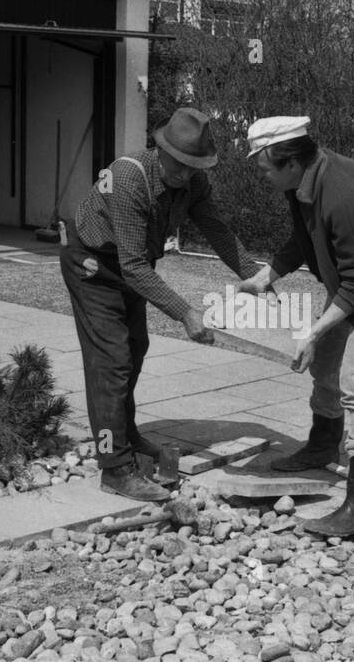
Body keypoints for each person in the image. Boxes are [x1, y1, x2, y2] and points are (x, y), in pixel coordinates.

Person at [238, 116, 354, 538]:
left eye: (265, 168)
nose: (262, 175)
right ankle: (323, 443)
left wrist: (313, 331)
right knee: (325, 367)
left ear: (289, 162)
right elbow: (303, 240)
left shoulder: (340, 193)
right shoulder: (301, 183)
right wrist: (268, 276)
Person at [60, 107, 261, 501]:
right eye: (180, 163)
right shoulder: (127, 178)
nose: (185, 173)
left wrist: (253, 276)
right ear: (160, 148)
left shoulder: (193, 183)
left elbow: (216, 229)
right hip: (92, 265)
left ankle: (127, 434)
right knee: (111, 360)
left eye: (194, 165)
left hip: (131, 263)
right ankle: (114, 467)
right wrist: (186, 313)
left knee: (135, 348)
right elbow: (134, 266)